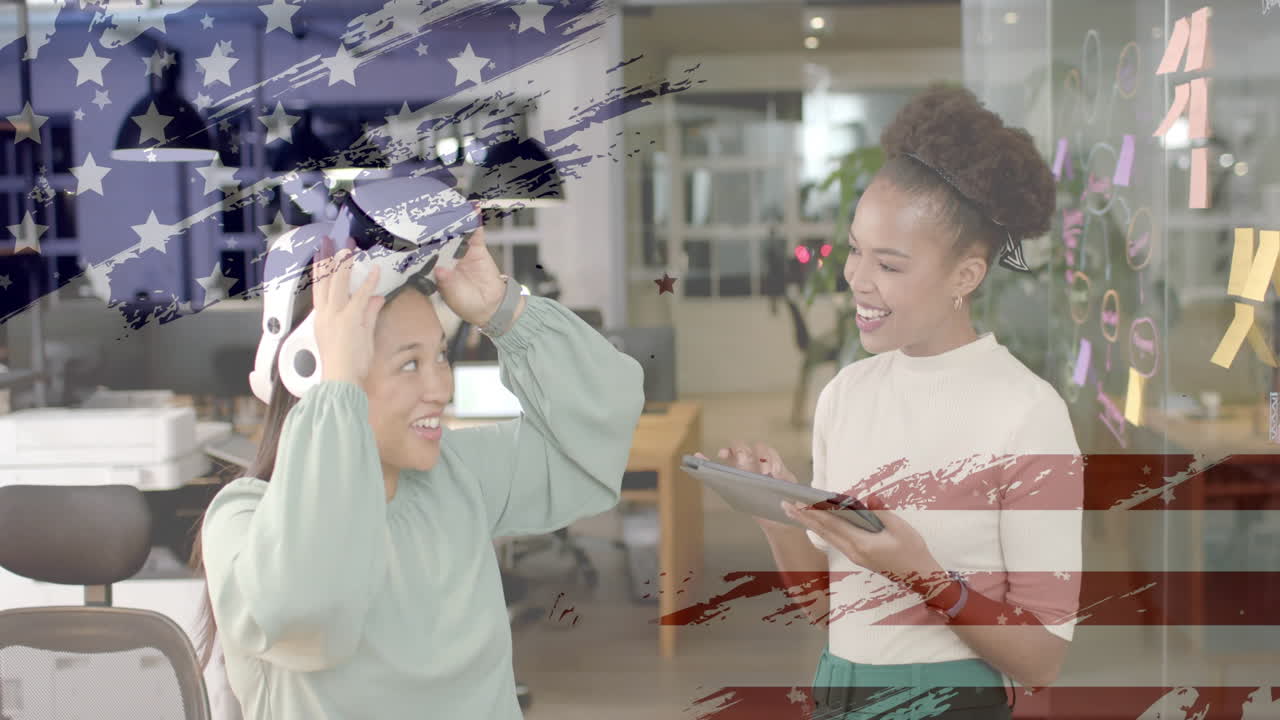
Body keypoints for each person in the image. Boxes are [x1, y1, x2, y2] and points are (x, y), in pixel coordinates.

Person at [709, 85, 1083, 719]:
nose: (857, 278)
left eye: (889, 264)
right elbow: (829, 609)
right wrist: (775, 511)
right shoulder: (845, 396)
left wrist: (923, 576)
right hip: (840, 692)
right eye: (856, 249)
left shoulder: (1027, 413)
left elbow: (1042, 659)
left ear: (965, 276)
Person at [187, 223, 645, 718]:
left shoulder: (454, 475)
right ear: (315, 376)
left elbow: (591, 441)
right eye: (409, 364)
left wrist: (504, 310)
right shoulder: (243, 520)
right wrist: (335, 392)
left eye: (441, 357)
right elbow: (307, 613)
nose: (439, 388)